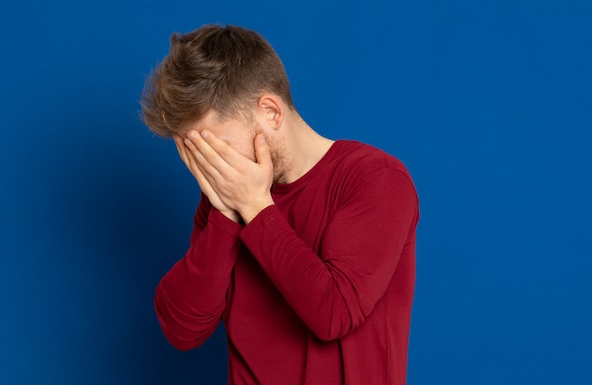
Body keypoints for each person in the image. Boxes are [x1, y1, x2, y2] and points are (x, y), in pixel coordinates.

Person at [141, 24, 419, 385]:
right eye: (197, 152)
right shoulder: (227, 198)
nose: (210, 164)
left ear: (271, 112)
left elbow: (333, 313)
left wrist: (254, 207)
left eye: (217, 145)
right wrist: (226, 214)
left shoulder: (375, 178)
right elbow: (182, 330)